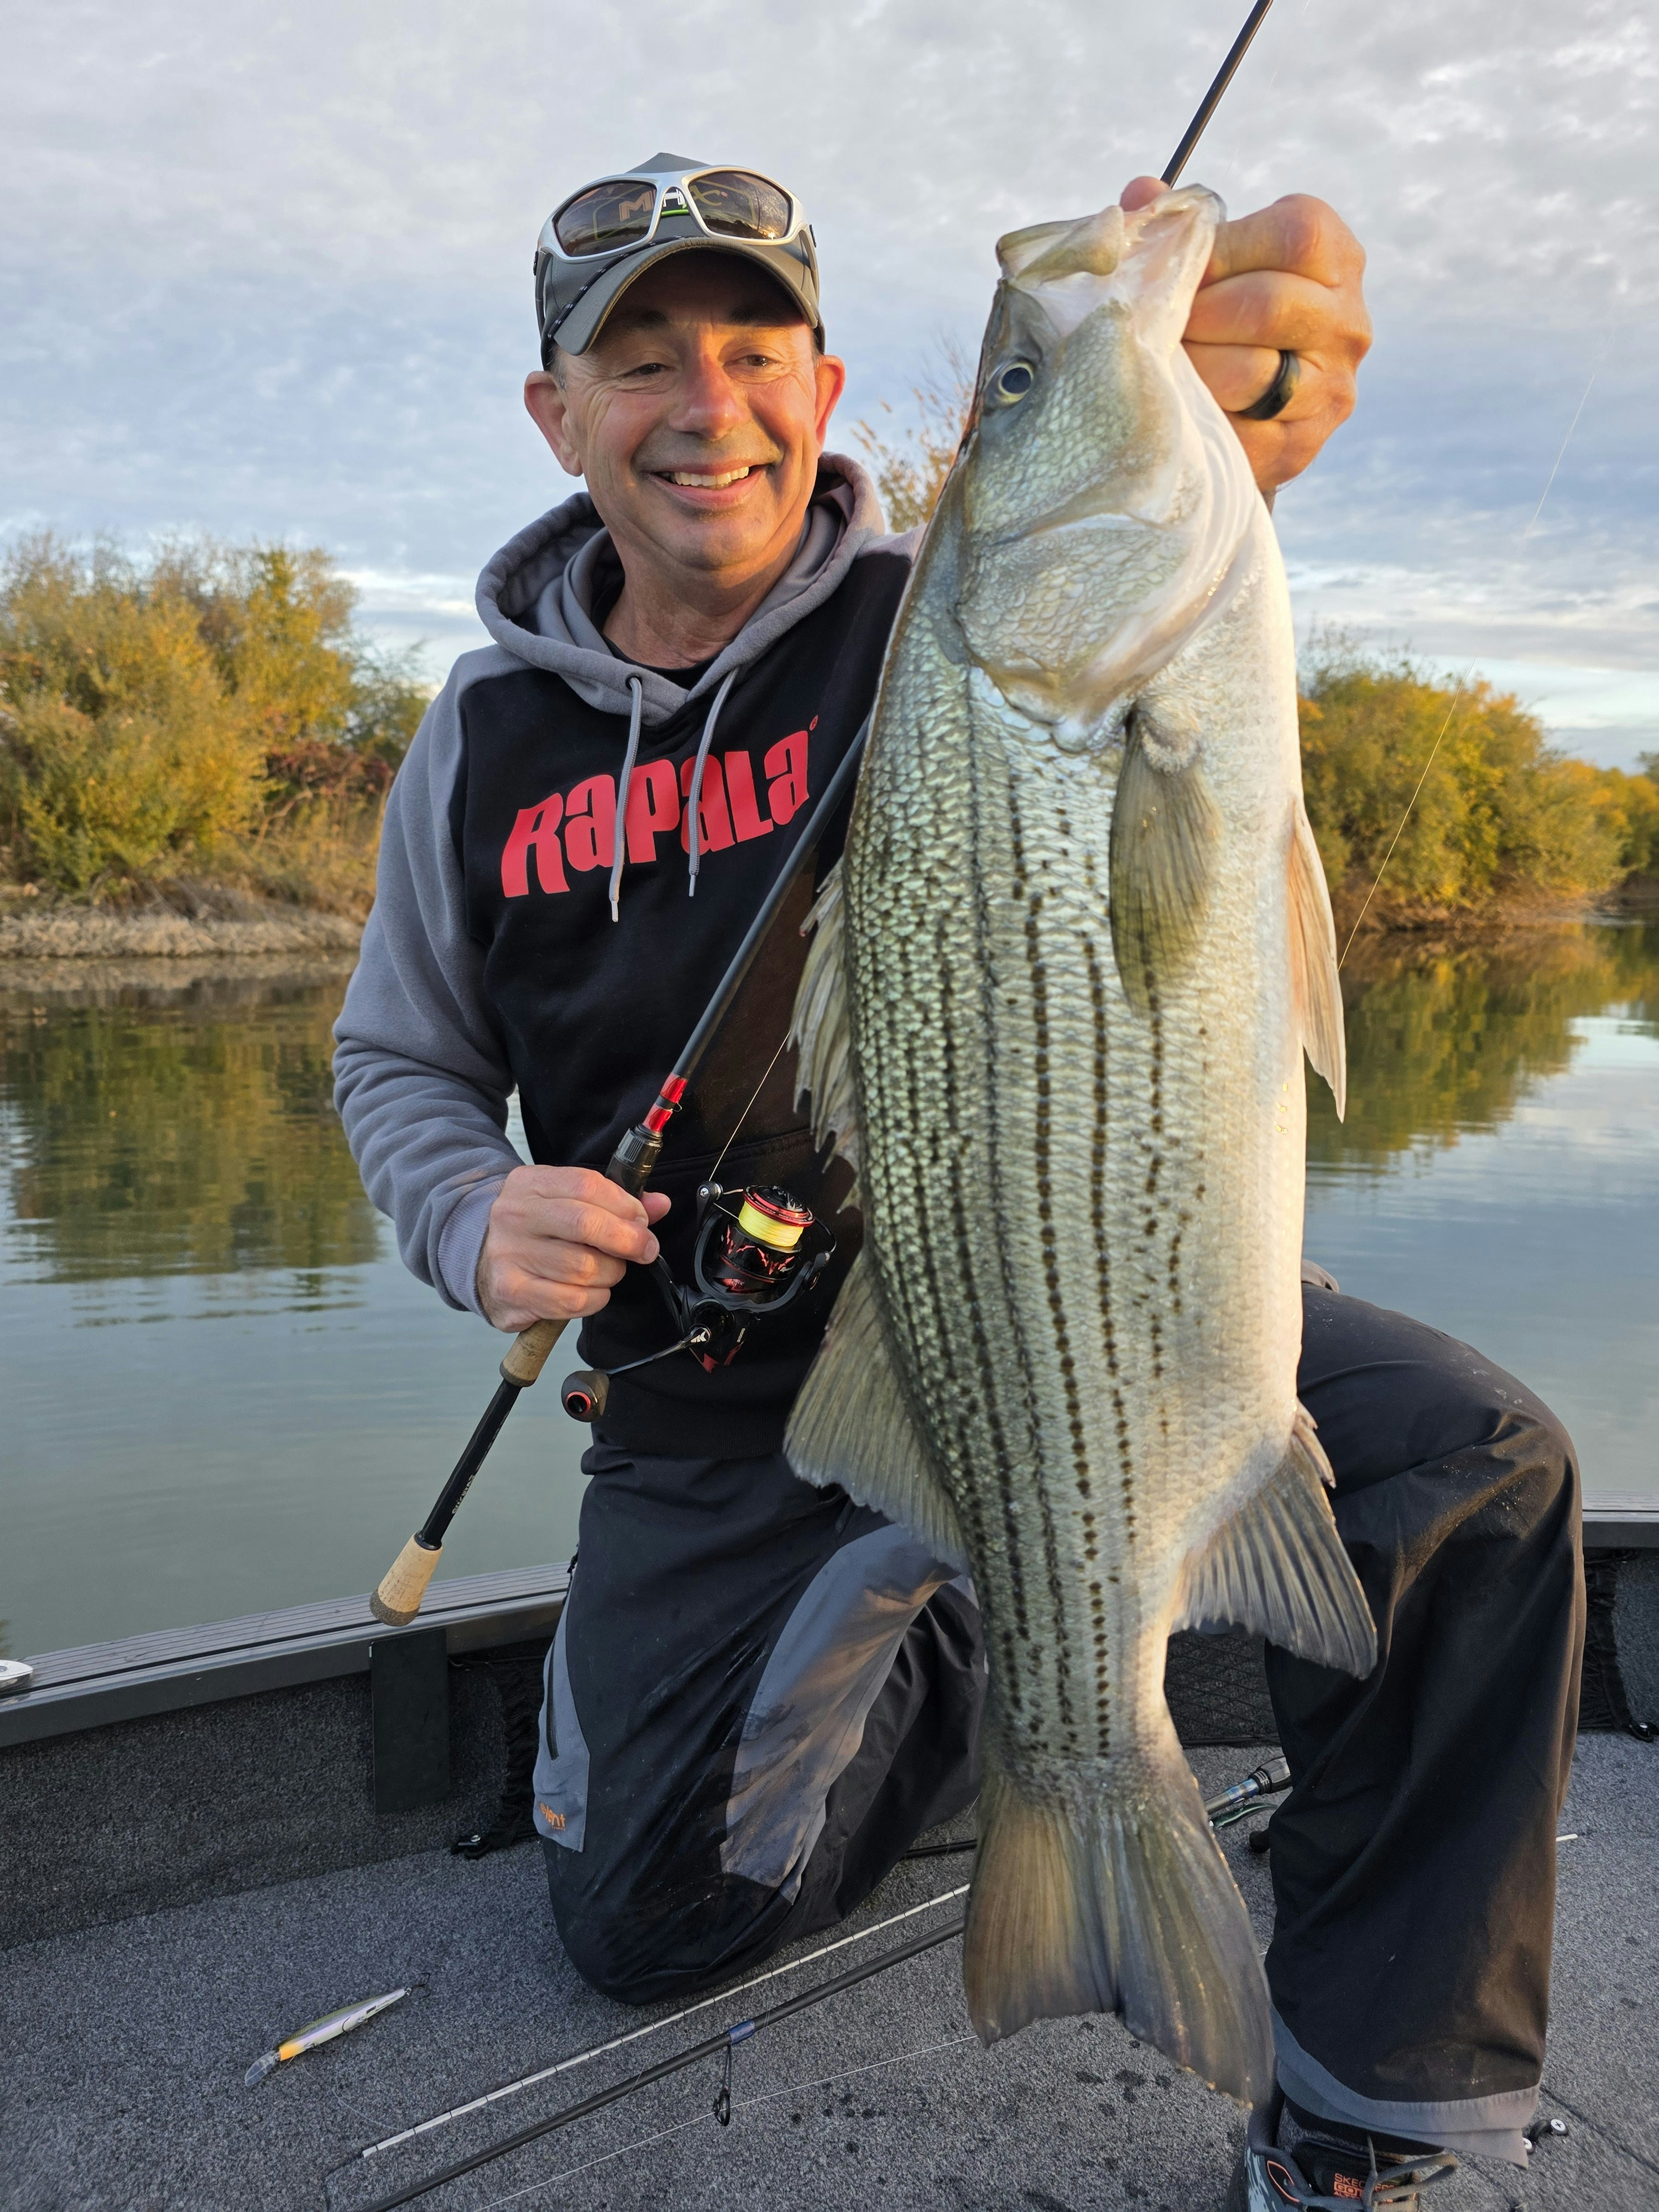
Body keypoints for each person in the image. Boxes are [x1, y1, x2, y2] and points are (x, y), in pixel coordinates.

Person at [333, 154, 1583, 2210]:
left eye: (751, 350)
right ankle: (987, 1636)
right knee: (645, 1925)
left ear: (824, 387)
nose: (703, 403)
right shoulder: (474, 742)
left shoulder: (957, 618)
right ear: (554, 417)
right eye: (638, 360)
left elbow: (1179, 549)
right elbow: (397, 1062)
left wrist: (1228, 407)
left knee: (1479, 1470)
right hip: (725, 1407)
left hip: (1111, 1289)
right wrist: (472, 1210)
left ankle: (1374, 2106)